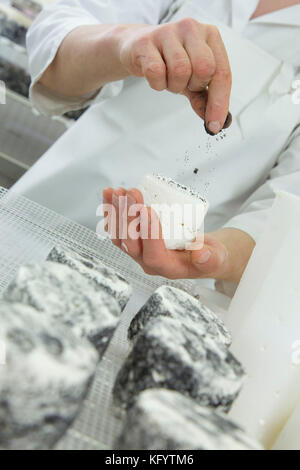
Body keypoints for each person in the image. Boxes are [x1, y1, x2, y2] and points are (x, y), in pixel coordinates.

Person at [13, 0, 300, 291]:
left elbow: (281, 217)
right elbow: (54, 43)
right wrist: (126, 44)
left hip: (155, 294)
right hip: (37, 217)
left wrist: (215, 256)